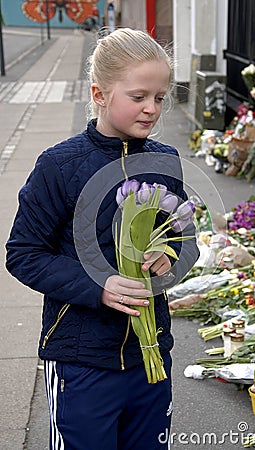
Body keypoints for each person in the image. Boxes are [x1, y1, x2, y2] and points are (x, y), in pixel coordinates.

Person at [6, 28, 199, 450]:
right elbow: (23, 253)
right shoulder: (59, 165)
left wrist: (169, 254)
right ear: (99, 93)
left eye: (160, 97)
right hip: (81, 359)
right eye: (138, 96)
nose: (152, 109)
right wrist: (99, 285)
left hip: (151, 359)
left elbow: (184, 234)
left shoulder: (165, 160)